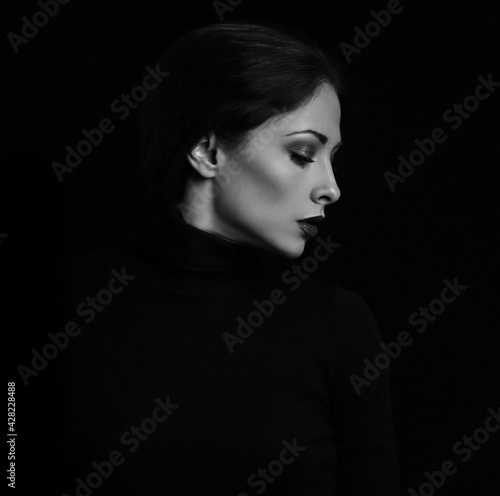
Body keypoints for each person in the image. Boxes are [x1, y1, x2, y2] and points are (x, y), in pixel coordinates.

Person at [53, 21, 399, 495]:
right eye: (303, 153)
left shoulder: (337, 325)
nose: (332, 188)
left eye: (332, 158)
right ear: (208, 150)